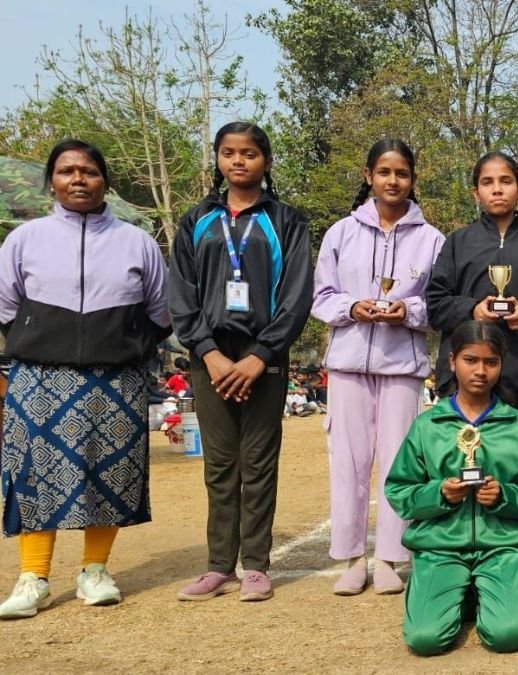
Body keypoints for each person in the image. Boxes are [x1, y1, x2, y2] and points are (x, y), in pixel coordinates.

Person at [0, 140, 170, 619]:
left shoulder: (136, 241)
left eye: (90, 171)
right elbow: (6, 306)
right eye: (67, 171)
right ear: (51, 181)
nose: (78, 179)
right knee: (34, 474)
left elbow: (160, 309)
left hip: (115, 378)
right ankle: (33, 577)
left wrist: (121, 342)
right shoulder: (24, 239)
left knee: (107, 471)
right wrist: (44, 338)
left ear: (106, 182)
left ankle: (95, 570)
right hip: (39, 377)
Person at [169, 122, 314, 602]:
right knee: (219, 465)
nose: (238, 161)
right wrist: (207, 353)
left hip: (263, 359)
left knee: (257, 463)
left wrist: (259, 356)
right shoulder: (196, 221)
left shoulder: (287, 222)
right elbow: (181, 296)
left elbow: (295, 297)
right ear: (217, 159)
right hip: (209, 359)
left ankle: (255, 565)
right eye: (228, 152)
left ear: (266, 162)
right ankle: (217, 566)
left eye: (249, 153)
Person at [312, 139, 445, 595]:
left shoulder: (432, 239)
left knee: (398, 464)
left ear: (413, 179)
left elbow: (439, 303)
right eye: (384, 172)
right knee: (347, 462)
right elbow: (321, 297)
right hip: (348, 364)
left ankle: (391, 557)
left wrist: (405, 311)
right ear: (368, 175)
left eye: (402, 173)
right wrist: (354, 308)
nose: (393, 181)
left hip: (403, 367)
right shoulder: (340, 233)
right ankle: (351, 558)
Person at [385, 321, 518, 655]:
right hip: (441, 546)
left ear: (501, 364)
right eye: (471, 360)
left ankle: (483, 590)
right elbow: (399, 490)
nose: (481, 371)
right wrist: (438, 494)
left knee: (508, 636)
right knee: (425, 641)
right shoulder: (428, 426)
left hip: (503, 547)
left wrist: (504, 496)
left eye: (491, 362)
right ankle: (460, 590)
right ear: (452, 360)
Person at [427, 152, 518, 422]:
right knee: (462, 459)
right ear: (476, 193)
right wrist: (473, 310)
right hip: (461, 380)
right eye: (487, 182)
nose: (497, 189)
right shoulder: (457, 243)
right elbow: (436, 304)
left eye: (506, 181)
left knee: (513, 460)